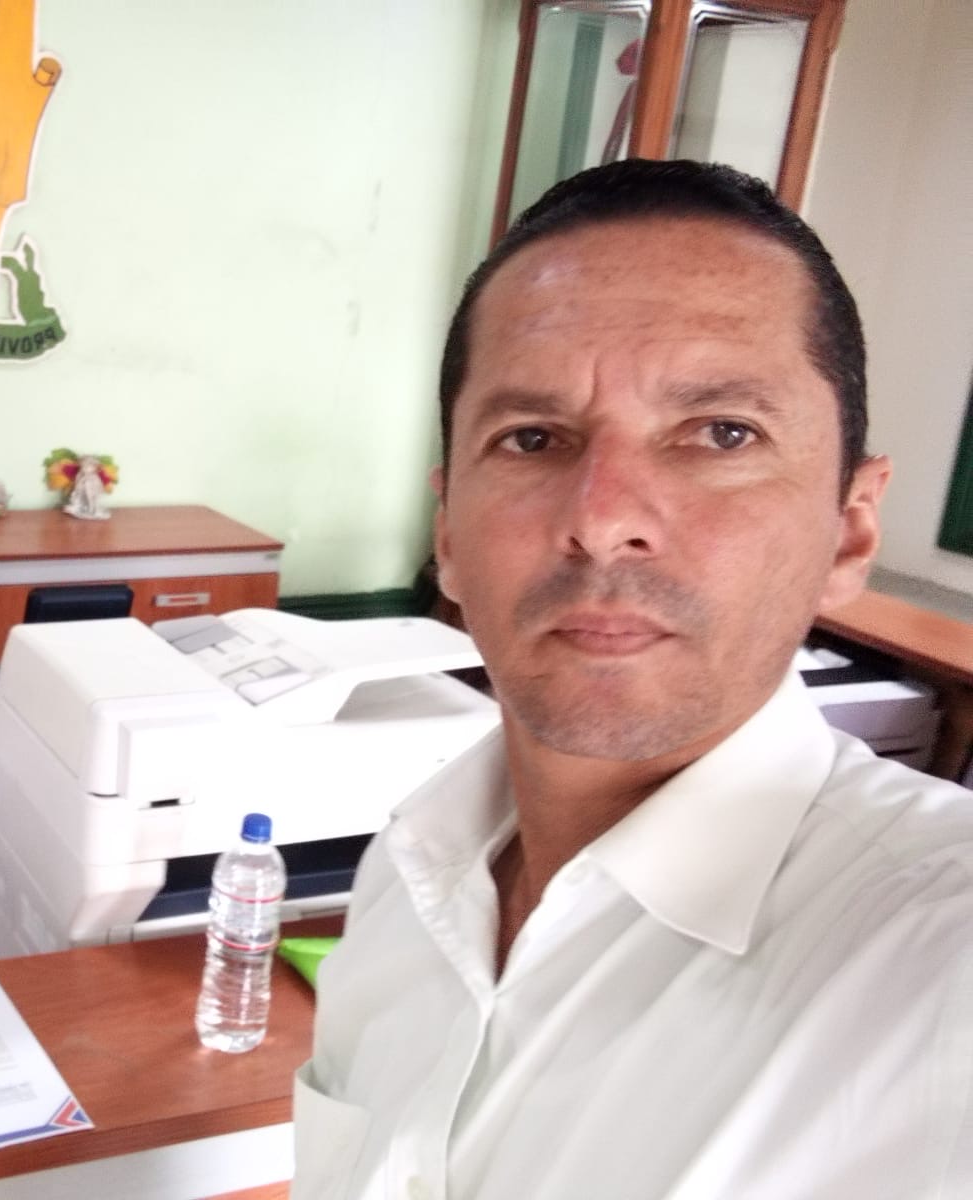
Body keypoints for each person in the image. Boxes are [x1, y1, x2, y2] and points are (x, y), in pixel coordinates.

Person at [293, 159, 973, 1198]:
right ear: (449, 537)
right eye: (532, 439)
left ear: (850, 530)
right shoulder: (409, 870)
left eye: (722, 433)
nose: (602, 517)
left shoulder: (936, 967)